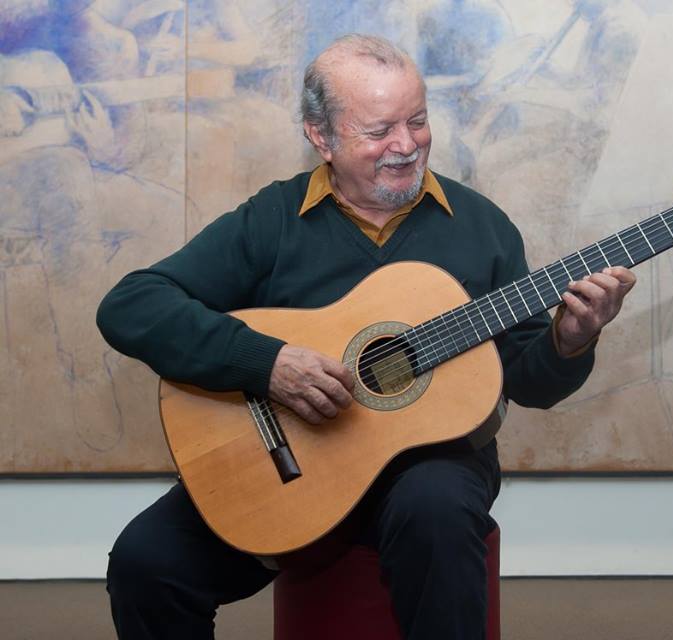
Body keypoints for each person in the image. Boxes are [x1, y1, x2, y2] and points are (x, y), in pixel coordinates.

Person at [96, 33, 636, 640]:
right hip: (290, 464)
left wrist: (569, 341)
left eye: (418, 121)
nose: (406, 145)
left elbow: (528, 381)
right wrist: (266, 363)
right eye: (379, 131)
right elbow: (131, 306)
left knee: (434, 512)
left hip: (434, 462)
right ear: (321, 136)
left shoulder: (482, 226)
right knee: (146, 562)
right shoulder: (272, 219)